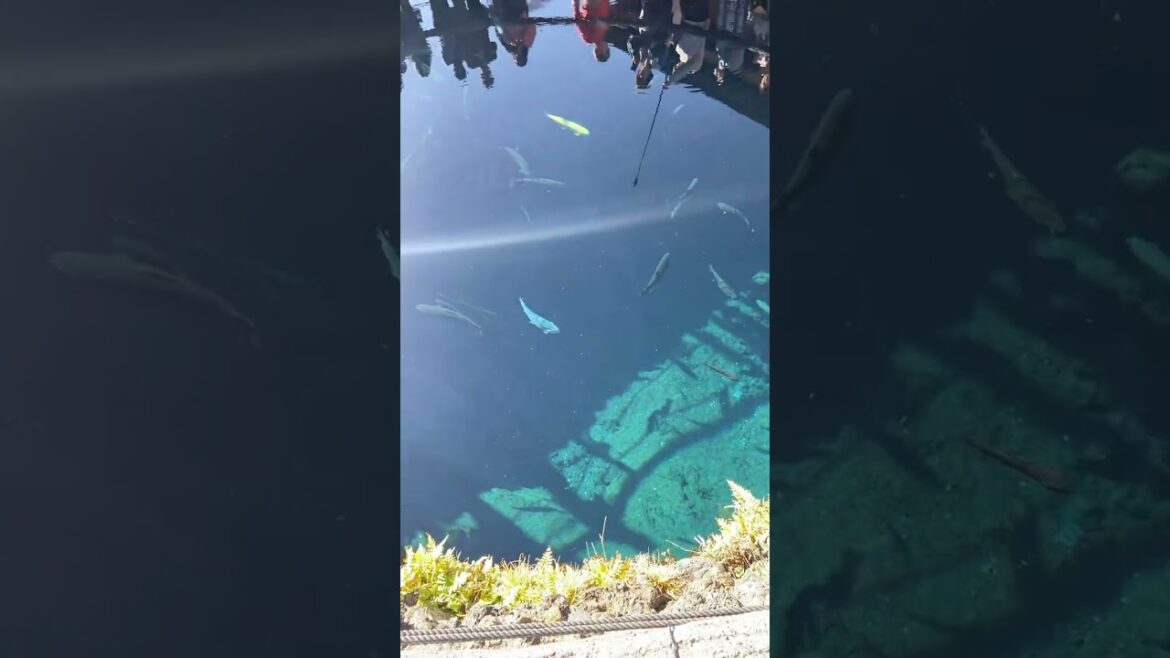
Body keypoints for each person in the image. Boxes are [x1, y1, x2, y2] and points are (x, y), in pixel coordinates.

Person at [492, 0, 537, 67]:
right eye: (519, 57)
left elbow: (498, 31)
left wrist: (496, 18)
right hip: (518, 10)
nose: (517, 55)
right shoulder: (527, 41)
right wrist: (521, 20)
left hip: (503, 12)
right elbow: (531, 25)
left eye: (516, 58)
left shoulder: (508, 43)